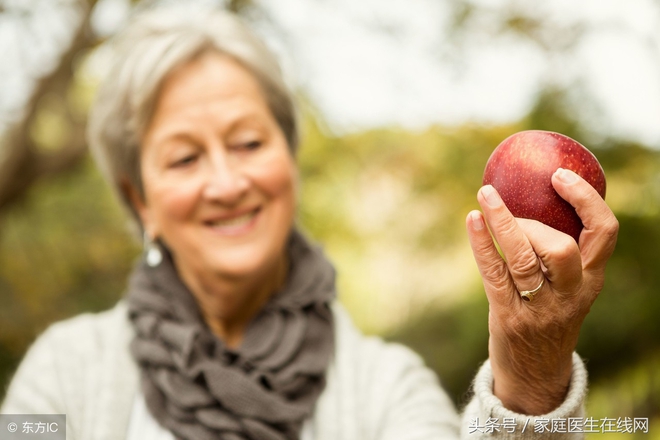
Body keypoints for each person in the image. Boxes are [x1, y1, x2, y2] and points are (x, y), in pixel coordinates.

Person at [1, 4, 618, 440]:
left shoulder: (387, 390)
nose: (226, 182)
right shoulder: (63, 373)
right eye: (185, 157)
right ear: (141, 203)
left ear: (288, 161)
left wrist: (530, 371)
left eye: (248, 143)